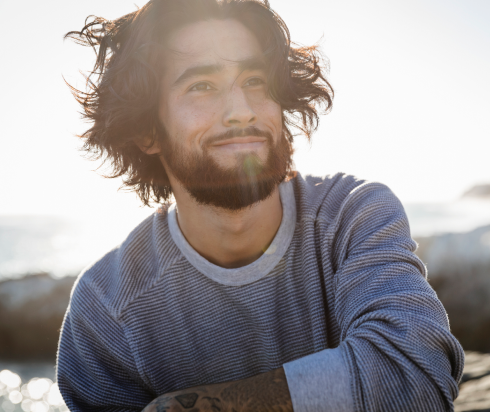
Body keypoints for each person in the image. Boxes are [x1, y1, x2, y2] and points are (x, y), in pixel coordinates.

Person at [56, 0, 465, 410]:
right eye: (202, 86)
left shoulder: (352, 215)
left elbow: (416, 376)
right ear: (147, 130)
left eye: (255, 80)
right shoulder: (106, 309)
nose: (241, 111)